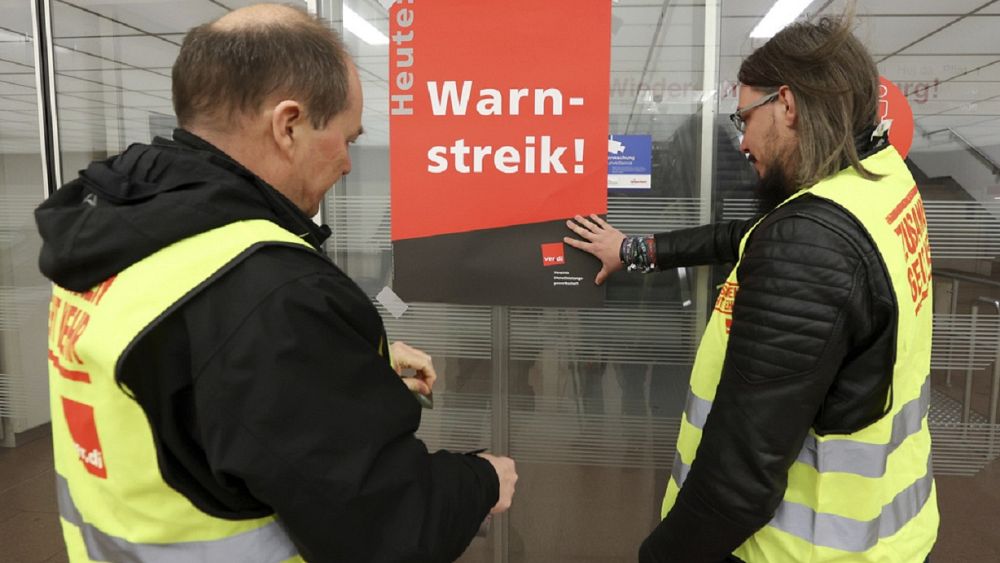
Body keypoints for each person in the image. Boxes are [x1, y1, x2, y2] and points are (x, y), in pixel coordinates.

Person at [37, 4, 516, 562]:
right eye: (348, 138)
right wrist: (481, 480)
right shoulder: (268, 291)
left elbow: (190, 381)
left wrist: (337, 362)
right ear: (288, 125)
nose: (347, 164)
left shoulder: (118, 233)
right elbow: (385, 530)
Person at [566, 15, 937, 563]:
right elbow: (753, 235)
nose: (740, 141)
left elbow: (739, 481)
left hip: (801, 551)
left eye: (744, 117)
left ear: (786, 104)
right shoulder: (879, 186)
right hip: (894, 533)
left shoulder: (809, 244)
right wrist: (636, 249)